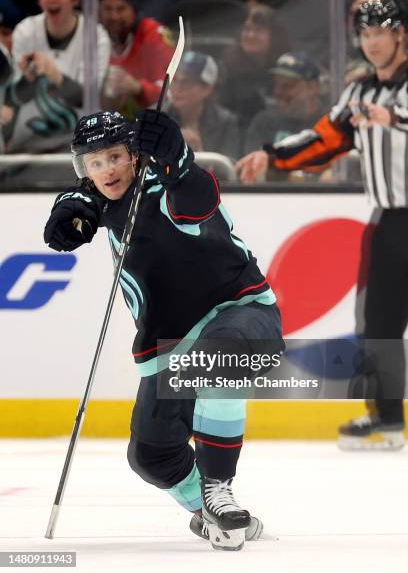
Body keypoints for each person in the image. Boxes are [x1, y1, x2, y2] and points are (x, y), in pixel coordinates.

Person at [43, 108, 284, 550]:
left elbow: (193, 197)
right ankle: (207, 511)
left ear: (135, 156)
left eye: (115, 156)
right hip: (171, 346)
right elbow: (98, 198)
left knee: (219, 357)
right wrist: (73, 203)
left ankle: (218, 488)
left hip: (241, 313)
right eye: (93, 163)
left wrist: (180, 160)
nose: (106, 169)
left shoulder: (166, 186)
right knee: (151, 455)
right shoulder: (104, 198)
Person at [236, 0, 408, 450]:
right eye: (365, 35)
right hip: (390, 219)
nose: (372, 43)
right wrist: (272, 155)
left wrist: (394, 118)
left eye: (380, 33)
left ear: (401, 35)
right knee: (379, 324)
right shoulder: (359, 94)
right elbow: (323, 139)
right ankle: (388, 420)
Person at [4, 0, 110, 153]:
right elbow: (14, 100)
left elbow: (89, 98)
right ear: (38, 0)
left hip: (81, 135)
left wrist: (56, 75)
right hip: (31, 134)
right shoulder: (25, 31)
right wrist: (26, 79)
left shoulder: (95, 34)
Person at [99, 0, 175, 119]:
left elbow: (172, 93)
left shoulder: (154, 35)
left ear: (135, 9)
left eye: (121, 9)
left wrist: (139, 87)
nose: (114, 16)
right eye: (107, 9)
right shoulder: (92, 36)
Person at [244, 51, 327, 179]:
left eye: (288, 85)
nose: (278, 92)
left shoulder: (332, 123)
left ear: (313, 87)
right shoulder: (263, 122)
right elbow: (251, 170)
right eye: (277, 84)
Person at [218, 3, 290, 131]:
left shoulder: (286, 69)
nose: (250, 35)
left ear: (274, 36)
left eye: (258, 30)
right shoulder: (227, 69)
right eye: (247, 29)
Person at [166, 51, 240, 159]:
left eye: (186, 83)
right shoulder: (155, 116)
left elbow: (230, 168)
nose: (177, 88)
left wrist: (200, 152)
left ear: (207, 89)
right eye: (174, 80)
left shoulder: (226, 122)